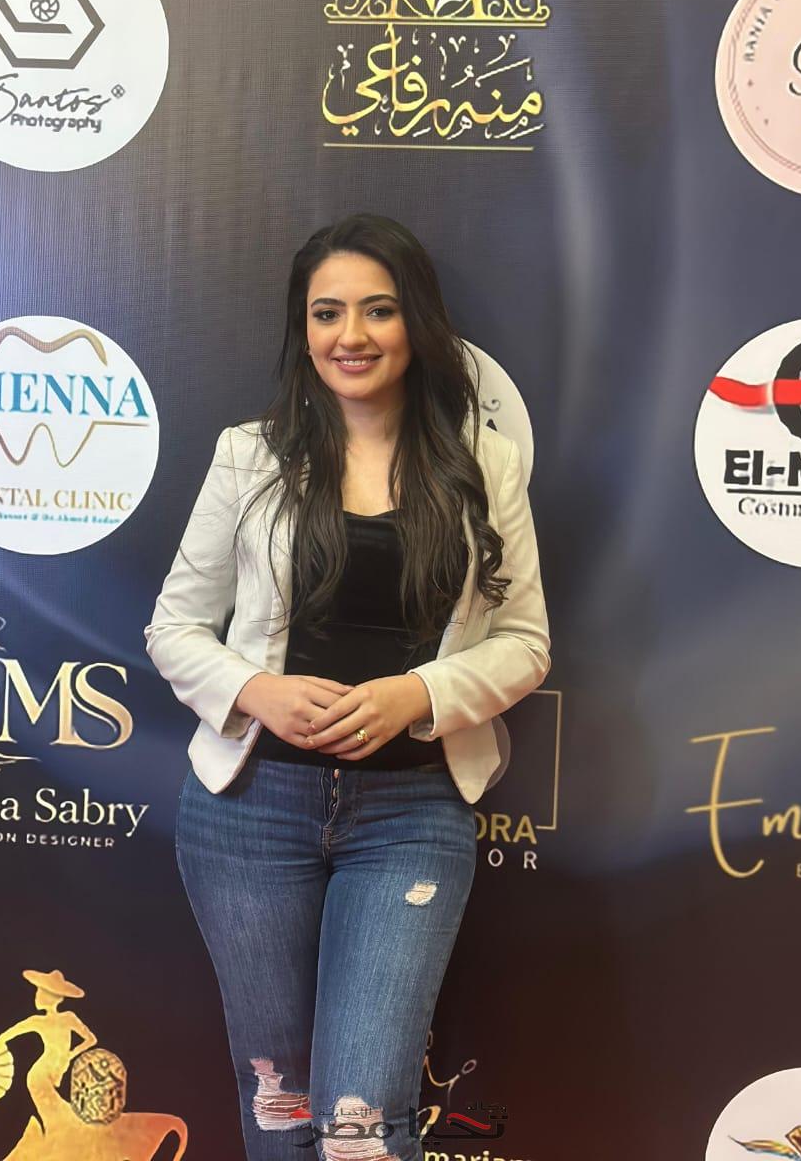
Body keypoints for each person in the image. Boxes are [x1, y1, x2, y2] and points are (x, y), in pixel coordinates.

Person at [144, 213, 550, 1161]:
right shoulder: (249, 454)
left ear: (417, 323)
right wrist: (258, 691)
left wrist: (419, 695)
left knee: (364, 1121)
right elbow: (174, 627)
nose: (351, 335)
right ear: (305, 327)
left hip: (410, 816)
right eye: (328, 312)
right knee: (279, 1100)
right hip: (250, 811)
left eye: (378, 309)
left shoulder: (485, 464)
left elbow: (526, 643)